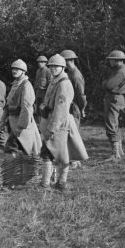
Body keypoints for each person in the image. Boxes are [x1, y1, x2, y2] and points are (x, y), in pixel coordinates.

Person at [38, 54, 88, 190]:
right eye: (51, 66)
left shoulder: (64, 83)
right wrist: (44, 106)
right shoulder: (55, 80)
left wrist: (52, 128)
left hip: (59, 123)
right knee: (61, 153)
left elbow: (61, 109)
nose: (53, 68)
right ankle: (61, 183)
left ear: (62, 67)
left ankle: (46, 184)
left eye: (56, 66)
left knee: (49, 152)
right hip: (53, 120)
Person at [1, 59, 41, 159]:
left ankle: (15, 172)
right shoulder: (15, 84)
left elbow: (27, 108)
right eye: (13, 69)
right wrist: (3, 120)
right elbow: (8, 105)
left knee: (13, 150)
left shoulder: (26, 86)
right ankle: (21, 173)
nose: (14, 71)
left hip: (21, 124)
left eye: (17, 69)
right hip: (12, 122)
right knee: (21, 152)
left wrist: (20, 126)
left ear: (23, 71)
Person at [61, 49, 87, 169]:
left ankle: (76, 161)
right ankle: (71, 159)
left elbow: (81, 94)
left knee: (74, 133)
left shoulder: (76, 75)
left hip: (74, 107)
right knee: (68, 132)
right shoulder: (69, 73)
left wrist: (82, 107)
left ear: (68, 61)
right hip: (69, 106)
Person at [101, 50, 125, 159]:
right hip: (115, 98)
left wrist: (104, 83)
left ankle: (115, 153)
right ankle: (119, 151)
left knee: (111, 124)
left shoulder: (121, 72)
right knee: (115, 124)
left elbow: (108, 85)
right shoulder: (117, 70)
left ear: (117, 61)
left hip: (115, 98)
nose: (110, 62)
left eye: (111, 60)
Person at [34, 55, 51, 122]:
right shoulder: (38, 71)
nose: (39, 63)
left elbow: (50, 83)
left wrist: (48, 96)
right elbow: (36, 82)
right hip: (38, 93)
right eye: (38, 62)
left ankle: (45, 124)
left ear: (45, 63)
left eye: (41, 62)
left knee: (44, 109)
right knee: (38, 110)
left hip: (45, 93)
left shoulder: (48, 71)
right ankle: (40, 125)